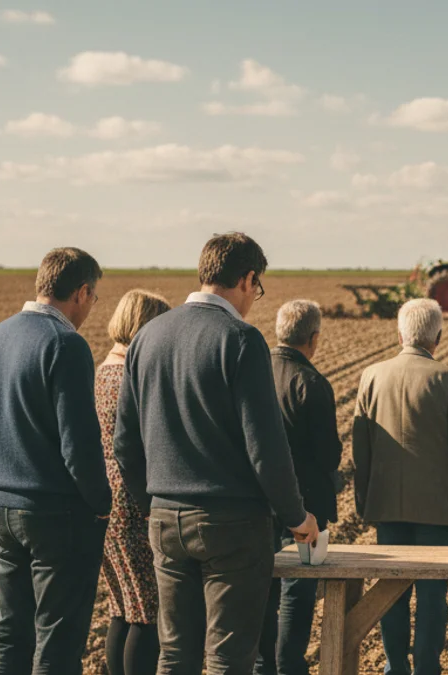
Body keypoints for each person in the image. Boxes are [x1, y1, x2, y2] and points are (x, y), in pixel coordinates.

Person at [113, 232, 318, 675]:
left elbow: (124, 443)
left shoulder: (148, 336)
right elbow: (265, 448)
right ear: (246, 279)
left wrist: (154, 504)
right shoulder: (240, 339)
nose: (254, 299)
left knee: (175, 656)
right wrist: (296, 516)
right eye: (256, 287)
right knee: (227, 659)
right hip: (232, 524)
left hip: (165, 519)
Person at [0, 247, 110, 675]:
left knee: (10, 632)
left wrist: (0, 484)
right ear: (81, 292)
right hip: (57, 515)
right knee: (58, 638)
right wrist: (101, 503)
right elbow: (79, 444)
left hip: (1, 510)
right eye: (93, 297)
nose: (90, 308)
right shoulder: (66, 345)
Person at [352, 298, 448, 675]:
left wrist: (364, 501)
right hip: (438, 509)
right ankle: (426, 667)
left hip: (386, 505)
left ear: (399, 333)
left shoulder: (371, 375)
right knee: (433, 596)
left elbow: (361, 449)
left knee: (392, 594)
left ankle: (395, 667)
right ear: (438, 336)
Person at [256, 300, 344, 675]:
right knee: (298, 587)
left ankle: (262, 664)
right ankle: (289, 664)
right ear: (314, 337)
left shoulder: (255, 373)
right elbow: (328, 454)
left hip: (258, 501)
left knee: (263, 584)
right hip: (305, 505)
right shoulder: (310, 382)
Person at [99, 290, 172, 675]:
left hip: (106, 503)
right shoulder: (129, 378)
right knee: (147, 611)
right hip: (132, 502)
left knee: (122, 608)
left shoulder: (101, 370)